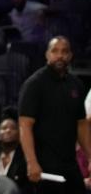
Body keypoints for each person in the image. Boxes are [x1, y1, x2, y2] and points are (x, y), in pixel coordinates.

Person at [18, 36, 91, 192]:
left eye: (64, 51)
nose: (60, 55)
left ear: (70, 56)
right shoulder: (34, 84)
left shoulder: (76, 84)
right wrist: (31, 162)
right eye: (55, 51)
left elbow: (81, 124)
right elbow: (25, 125)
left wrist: (90, 155)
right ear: (47, 55)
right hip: (45, 166)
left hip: (70, 162)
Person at [0, 117, 30, 192]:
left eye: (13, 128)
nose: (8, 130)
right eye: (4, 128)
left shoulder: (25, 158)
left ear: (19, 135)